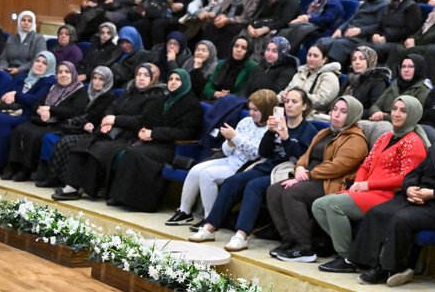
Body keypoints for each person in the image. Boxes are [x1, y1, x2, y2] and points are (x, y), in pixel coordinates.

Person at [349, 113, 435, 286]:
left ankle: (391, 268)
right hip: (416, 196)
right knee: (378, 212)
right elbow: (414, 173)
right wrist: (409, 188)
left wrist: (433, 193)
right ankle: (366, 262)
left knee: (401, 219)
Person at [188, 88, 318, 251]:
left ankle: (241, 235)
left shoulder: (309, 130)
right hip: (269, 165)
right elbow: (264, 152)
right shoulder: (278, 122)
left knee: (254, 186)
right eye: (287, 101)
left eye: (295, 102)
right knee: (233, 181)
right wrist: (270, 133)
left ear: (304, 106)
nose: (289, 105)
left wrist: (285, 137)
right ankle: (209, 227)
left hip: (286, 171)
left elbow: (300, 158)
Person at [312, 96, 428, 273]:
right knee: (318, 205)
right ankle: (354, 253)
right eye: (394, 108)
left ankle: (346, 257)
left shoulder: (414, 143)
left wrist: (368, 185)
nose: (396, 114)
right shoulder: (386, 137)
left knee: (334, 206)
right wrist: (359, 183)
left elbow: (404, 178)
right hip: (367, 189)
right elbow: (366, 164)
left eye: (403, 111)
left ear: (412, 115)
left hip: (387, 195)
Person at [268, 96, 370, 262]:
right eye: (334, 109)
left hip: (330, 182)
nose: (336, 114)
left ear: (352, 116)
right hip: (308, 176)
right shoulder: (324, 132)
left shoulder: (356, 139)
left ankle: (304, 248)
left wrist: (308, 174)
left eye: (343, 112)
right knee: (274, 190)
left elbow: (338, 166)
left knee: (293, 193)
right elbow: (305, 155)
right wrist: (299, 167)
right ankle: (289, 241)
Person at [54, 63, 165, 200]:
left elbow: (142, 121)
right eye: (139, 74)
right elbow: (112, 107)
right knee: (81, 145)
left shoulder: (155, 97)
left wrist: (115, 120)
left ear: (153, 78)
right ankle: (72, 186)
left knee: (98, 149)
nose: (141, 78)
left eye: (146, 75)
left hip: (130, 136)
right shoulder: (129, 92)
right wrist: (107, 119)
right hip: (113, 131)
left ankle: (89, 189)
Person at [171, 89, 276, 228]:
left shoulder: (271, 129)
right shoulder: (245, 121)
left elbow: (256, 154)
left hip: (246, 167)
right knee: (196, 170)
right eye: (250, 109)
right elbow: (227, 151)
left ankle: (210, 218)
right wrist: (229, 142)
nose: (251, 113)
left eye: (256, 110)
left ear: (266, 109)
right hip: (230, 160)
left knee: (207, 175)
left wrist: (235, 138)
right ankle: (184, 211)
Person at [108, 69, 202, 211]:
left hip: (171, 148)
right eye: (171, 79)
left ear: (185, 83)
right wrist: (143, 129)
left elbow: (187, 132)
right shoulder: (163, 100)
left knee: (138, 154)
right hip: (153, 142)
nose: (173, 82)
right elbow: (146, 118)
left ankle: (141, 202)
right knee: (129, 151)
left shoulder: (193, 105)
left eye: (178, 79)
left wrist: (154, 133)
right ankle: (122, 197)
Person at [4, 61, 89, 181]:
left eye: (67, 72)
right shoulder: (53, 87)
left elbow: (75, 111)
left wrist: (50, 109)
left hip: (60, 124)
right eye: (60, 72)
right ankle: (14, 166)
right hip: (43, 121)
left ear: (73, 74)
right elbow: (36, 104)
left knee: (35, 135)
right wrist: (40, 110)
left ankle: (27, 169)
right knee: (20, 129)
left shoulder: (80, 90)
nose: (63, 75)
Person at [33, 66, 116, 187]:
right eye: (94, 78)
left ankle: (60, 179)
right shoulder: (88, 92)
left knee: (65, 142)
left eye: (101, 79)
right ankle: (50, 175)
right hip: (79, 126)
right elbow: (79, 112)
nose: (97, 82)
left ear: (107, 81)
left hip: (93, 131)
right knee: (52, 136)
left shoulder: (109, 97)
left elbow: (95, 117)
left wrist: (82, 122)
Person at [280, 43, 341, 119]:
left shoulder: (329, 76)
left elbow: (322, 101)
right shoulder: (301, 72)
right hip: (292, 111)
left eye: (315, 56)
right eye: (309, 55)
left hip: (312, 116)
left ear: (324, 60)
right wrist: (282, 97)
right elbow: (288, 90)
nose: (311, 59)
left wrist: (299, 97)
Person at [367, 55, 431, 121]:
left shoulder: (423, 89)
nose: (406, 70)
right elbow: (375, 106)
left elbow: (413, 116)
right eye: (403, 66)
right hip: (381, 121)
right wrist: (377, 113)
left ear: (418, 68)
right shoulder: (395, 84)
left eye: (411, 67)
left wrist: (384, 117)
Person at [202, 35, 258, 101]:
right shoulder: (222, 63)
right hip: (215, 99)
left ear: (248, 51)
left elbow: (247, 92)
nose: (238, 50)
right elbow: (209, 85)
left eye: (243, 48)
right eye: (236, 46)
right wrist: (215, 93)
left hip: (235, 103)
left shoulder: (252, 67)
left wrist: (229, 96)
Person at [0, 10, 47, 75]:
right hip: (9, 71)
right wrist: (2, 68)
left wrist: (19, 70)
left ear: (33, 23)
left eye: (29, 21)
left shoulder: (39, 39)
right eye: (23, 20)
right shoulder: (11, 38)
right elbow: (3, 58)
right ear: (19, 22)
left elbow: (38, 61)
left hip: (28, 73)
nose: (26, 23)